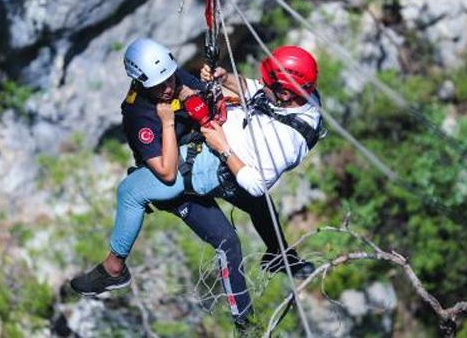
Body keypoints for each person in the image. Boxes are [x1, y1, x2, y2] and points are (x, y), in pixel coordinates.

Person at [70, 41, 321, 326]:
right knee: (133, 192)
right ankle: (113, 269)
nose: (168, 87)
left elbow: (205, 95)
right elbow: (166, 173)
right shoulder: (138, 114)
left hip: (211, 159)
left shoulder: (169, 76)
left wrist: (208, 90)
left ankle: (279, 257)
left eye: (170, 79)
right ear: (141, 82)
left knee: (257, 201)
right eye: (160, 85)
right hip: (180, 177)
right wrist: (169, 121)